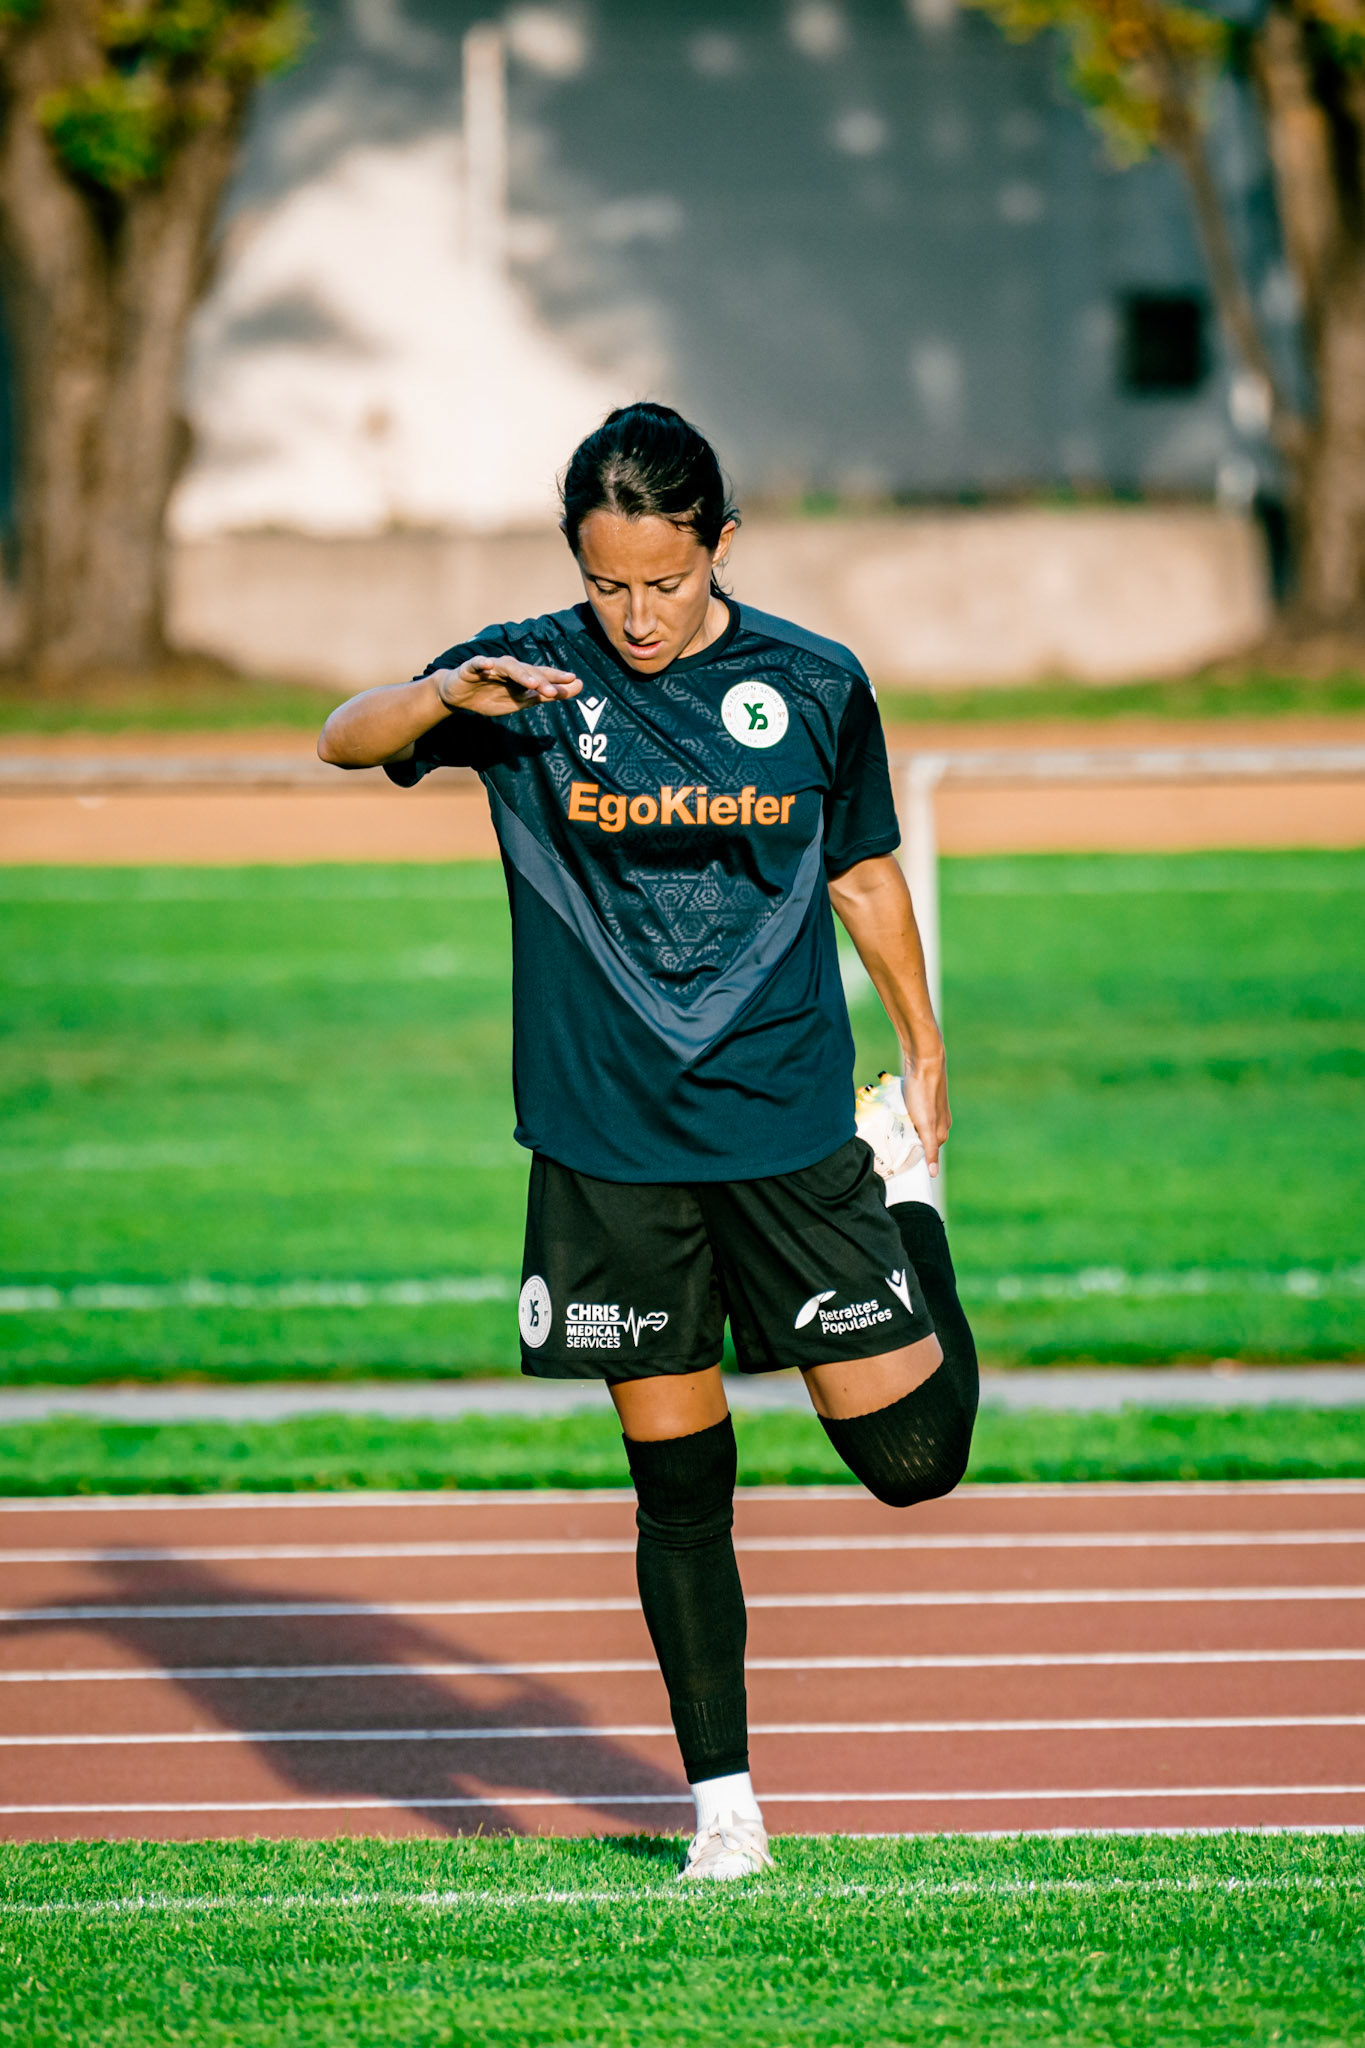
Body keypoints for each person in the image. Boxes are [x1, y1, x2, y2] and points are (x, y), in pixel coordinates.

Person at [318, 401, 979, 1881]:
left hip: (786, 1125)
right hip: (609, 1146)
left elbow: (863, 872)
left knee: (913, 1460)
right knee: (680, 1486)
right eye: (607, 582)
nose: (634, 614)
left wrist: (924, 1054)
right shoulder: (521, 679)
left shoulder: (812, 683)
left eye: (664, 583)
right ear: (576, 561)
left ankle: (910, 1206)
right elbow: (340, 738)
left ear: (719, 544)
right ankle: (724, 1816)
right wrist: (443, 698)